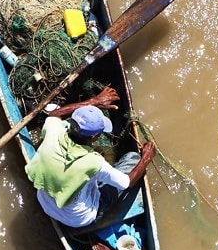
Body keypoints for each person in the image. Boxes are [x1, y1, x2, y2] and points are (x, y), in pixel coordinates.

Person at [24, 86, 155, 228]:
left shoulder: (54, 130)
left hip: (46, 204)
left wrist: (95, 101)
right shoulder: (94, 162)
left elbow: (55, 114)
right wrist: (146, 158)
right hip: (78, 219)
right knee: (133, 158)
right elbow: (127, 183)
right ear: (94, 137)